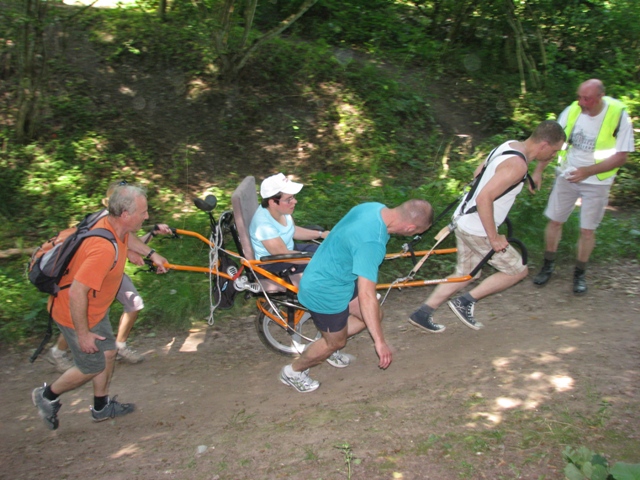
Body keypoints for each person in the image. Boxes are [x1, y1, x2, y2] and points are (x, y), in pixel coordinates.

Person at [409, 120, 566, 333]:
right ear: (544, 145)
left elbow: (477, 173)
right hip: (478, 230)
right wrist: (494, 238)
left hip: (463, 219)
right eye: (554, 151)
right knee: (517, 271)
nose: (553, 156)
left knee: (467, 272)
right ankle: (464, 301)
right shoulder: (518, 166)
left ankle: (423, 312)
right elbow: (484, 198)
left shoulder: (509, 146)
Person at [32, 184, 159, 430]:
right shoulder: (102, 248)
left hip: (95, 309)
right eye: (143, 212)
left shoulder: (114, 225)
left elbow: (127, 239)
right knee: (92, 366)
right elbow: (78, 292)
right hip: (76, 313)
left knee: (108, 352)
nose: (147, 216)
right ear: (125, 214)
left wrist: (143, 253)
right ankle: (47, 396)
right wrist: (82, 334)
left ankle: (100, 407)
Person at [279, 199, 434, 393]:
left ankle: (326, 342)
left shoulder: (373, 207)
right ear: (410, 227)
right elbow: (366, 294)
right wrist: (380, 342)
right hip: (324, 288)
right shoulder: (372, 242)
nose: (413, 235)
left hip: (339, 276)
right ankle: (293, 372)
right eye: (416, 233)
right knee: (336, 342)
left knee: (373, 316)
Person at [47, 182, 171, 372]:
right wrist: (142, 252)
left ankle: (119, 346)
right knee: (85, 314)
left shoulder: (118, 222)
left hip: (112, 273)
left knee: (134, 303)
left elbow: (128, 238)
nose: (145, 215)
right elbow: (109, 247)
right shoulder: (104, 222)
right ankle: (59, 353)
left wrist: (148, 249)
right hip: (94, 274)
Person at [532, 79, 635, 294]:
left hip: (597, 182)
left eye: (586, 98)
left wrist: (587, 172)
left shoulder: (617, 115)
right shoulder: (572, 110)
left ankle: (579, 274)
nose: (581, 102)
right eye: (579, 96)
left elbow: (621, 156)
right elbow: (553, 142)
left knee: (587, 230)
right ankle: (548, 265)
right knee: (555, 221)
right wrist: (538, 170)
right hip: (567, 175)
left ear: (600, 97)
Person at [249, 172, 330, 274]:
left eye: (293, 197)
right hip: (276, 264)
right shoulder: (263, 226)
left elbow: (292, 230)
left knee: (329, 251)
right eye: (289, 199)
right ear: (272, 202)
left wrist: (322, 234)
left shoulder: (281, 210)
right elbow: (284, 255)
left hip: (289, 250)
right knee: (331, 268)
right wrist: (321, 261)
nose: (295, 201)